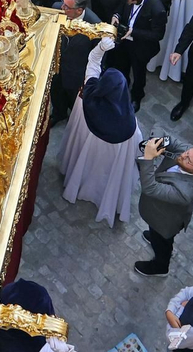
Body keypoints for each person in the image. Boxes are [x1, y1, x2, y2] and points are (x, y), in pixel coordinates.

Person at [59, 37, 141, 226]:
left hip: (91, 142)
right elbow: (136, 140)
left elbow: (93, 63)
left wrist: (101, 48)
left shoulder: (90, 93)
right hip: (116, 150)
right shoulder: (127, 117)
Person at [134, 135, 193, 276]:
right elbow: (168, 137)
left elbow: (150, 188)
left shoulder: (187, 192)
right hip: (158, 212)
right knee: (158, 237)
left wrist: (148, 158)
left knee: (162, 243)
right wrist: (156, 141)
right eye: (187, 152)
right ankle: (156, 238)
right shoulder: (188, 154)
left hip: (165, 221)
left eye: (188, 159)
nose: (183, 155)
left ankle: (161, 267)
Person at [104, 0, 168, 112]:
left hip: (141, 46)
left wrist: (133, 31)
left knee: (139, 73)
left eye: (131, 2)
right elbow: (121, 6)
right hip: (124, 42)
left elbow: (158, 35)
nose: (128, 4)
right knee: (121, 65)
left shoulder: (157, 9)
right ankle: (122, 85)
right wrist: (116, 16)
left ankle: (137, 96)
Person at [48, 0, 101, 127]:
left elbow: (98, 55)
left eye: (67, 6)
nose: (62, 7)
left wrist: (89, 77)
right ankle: (59, 114)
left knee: (74, 100)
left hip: (77, 72)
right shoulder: (56, 9)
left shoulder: (94, 26)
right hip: (56, 66)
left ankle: (75, 121)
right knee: (56, 92)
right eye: (63, 3)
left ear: (79, 10)